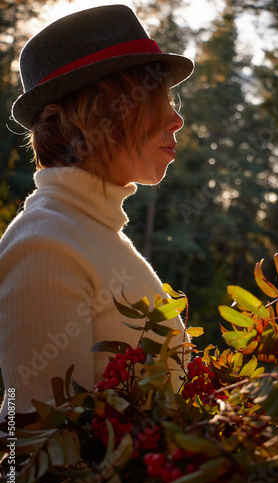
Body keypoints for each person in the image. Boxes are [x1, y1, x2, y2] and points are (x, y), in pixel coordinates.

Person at [0, 4, 194, 420]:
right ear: (104, 109)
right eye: (157, 98)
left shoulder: (95, 232)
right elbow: (34, 451)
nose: (176, 119)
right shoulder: (46, 244)